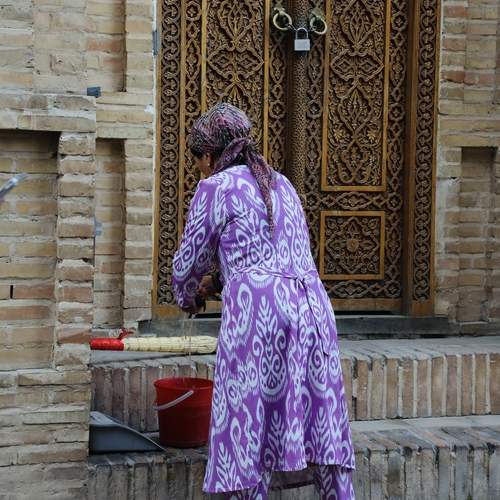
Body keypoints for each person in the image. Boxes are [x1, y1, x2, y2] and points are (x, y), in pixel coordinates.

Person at [172, 103, 355, 499]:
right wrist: (220, 280)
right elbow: (272, 255)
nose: (199, 169)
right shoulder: (282, 184)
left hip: (259, 316)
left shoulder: (215, 188)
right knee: (321, 422)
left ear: (210, 156)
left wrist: (187, 297)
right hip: (312, 310)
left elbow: (187, 265)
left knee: (249, 425)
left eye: (198, 160)